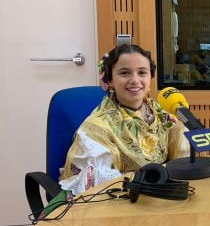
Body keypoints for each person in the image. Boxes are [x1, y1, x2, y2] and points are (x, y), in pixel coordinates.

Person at [59, 44, 190, 195]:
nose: (135, 80)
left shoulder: (161, 114)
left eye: (142, 72)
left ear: (150, 78)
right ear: (110, 80)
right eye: (125, 73)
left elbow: (183, 161)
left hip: (163, 195)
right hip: (119, 199)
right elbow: (97, 183)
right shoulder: (96, 127)